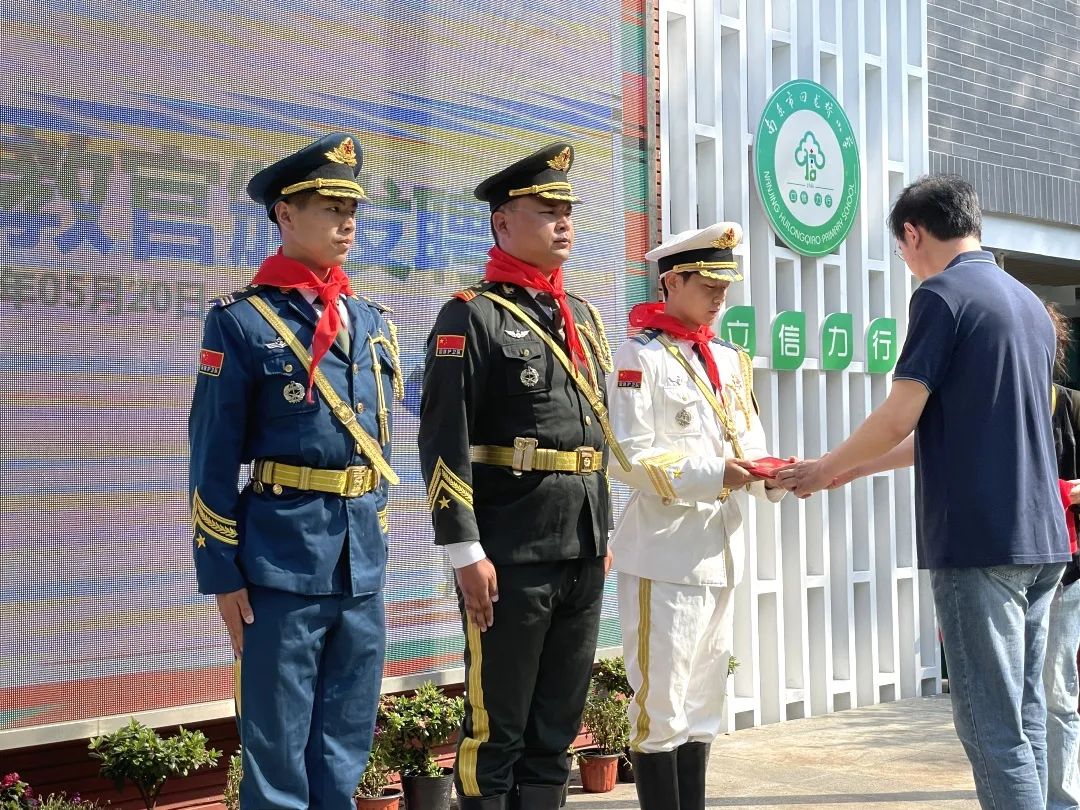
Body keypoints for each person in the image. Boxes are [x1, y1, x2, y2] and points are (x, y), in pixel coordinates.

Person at [776, 175, 1069, 809]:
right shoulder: (1027, 304)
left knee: (992, 731)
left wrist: (824, 468)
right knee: (1024, 719)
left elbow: (898, 416)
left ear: (913, 234)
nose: (906, 263)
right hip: (1042, 540)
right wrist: (853, 469)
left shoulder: (941, 297)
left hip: (978, 541)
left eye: (902, 248)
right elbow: (953, 433)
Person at [188, 133, 401, 809]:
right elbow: (212, 454)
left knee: (343, 750)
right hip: (278, 561)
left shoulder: (370, 322)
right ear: (284, 214)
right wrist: (222, 573)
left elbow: (381, 445)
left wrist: (376, 536)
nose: (346, 222)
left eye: (352, 208)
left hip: (359, 562)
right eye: (328, 206)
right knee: (277, 759)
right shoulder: (243, 324)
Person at [418, 142, 621, 810]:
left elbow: (590, 439)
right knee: (495, 730)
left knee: (555, 732)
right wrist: (463, 549)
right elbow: (443, 440)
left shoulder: (585, 320)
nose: (563, 222)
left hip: (580, 550)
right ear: (503, 223)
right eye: (546, 209)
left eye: (568, 210)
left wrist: (602, 530)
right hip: (509, 553)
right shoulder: (471, 315)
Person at [604, 222, 786, 810]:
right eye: (707, 282)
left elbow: (747, 438)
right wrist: (716, 475)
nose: (719, 295)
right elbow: (627, 455)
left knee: (705, 706)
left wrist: (776, 477)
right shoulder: (639, 357)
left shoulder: (730, 360)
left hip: (721, 550)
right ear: (671, 280)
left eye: (725, 284)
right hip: (664, 552)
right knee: (662, 708)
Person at [1045, 302, 1080, 810]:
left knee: (1057, 689)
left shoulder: (1071, 405)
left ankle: (1063, 798)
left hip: (1066, 569)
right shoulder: (993, 407)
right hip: (1005, 567)